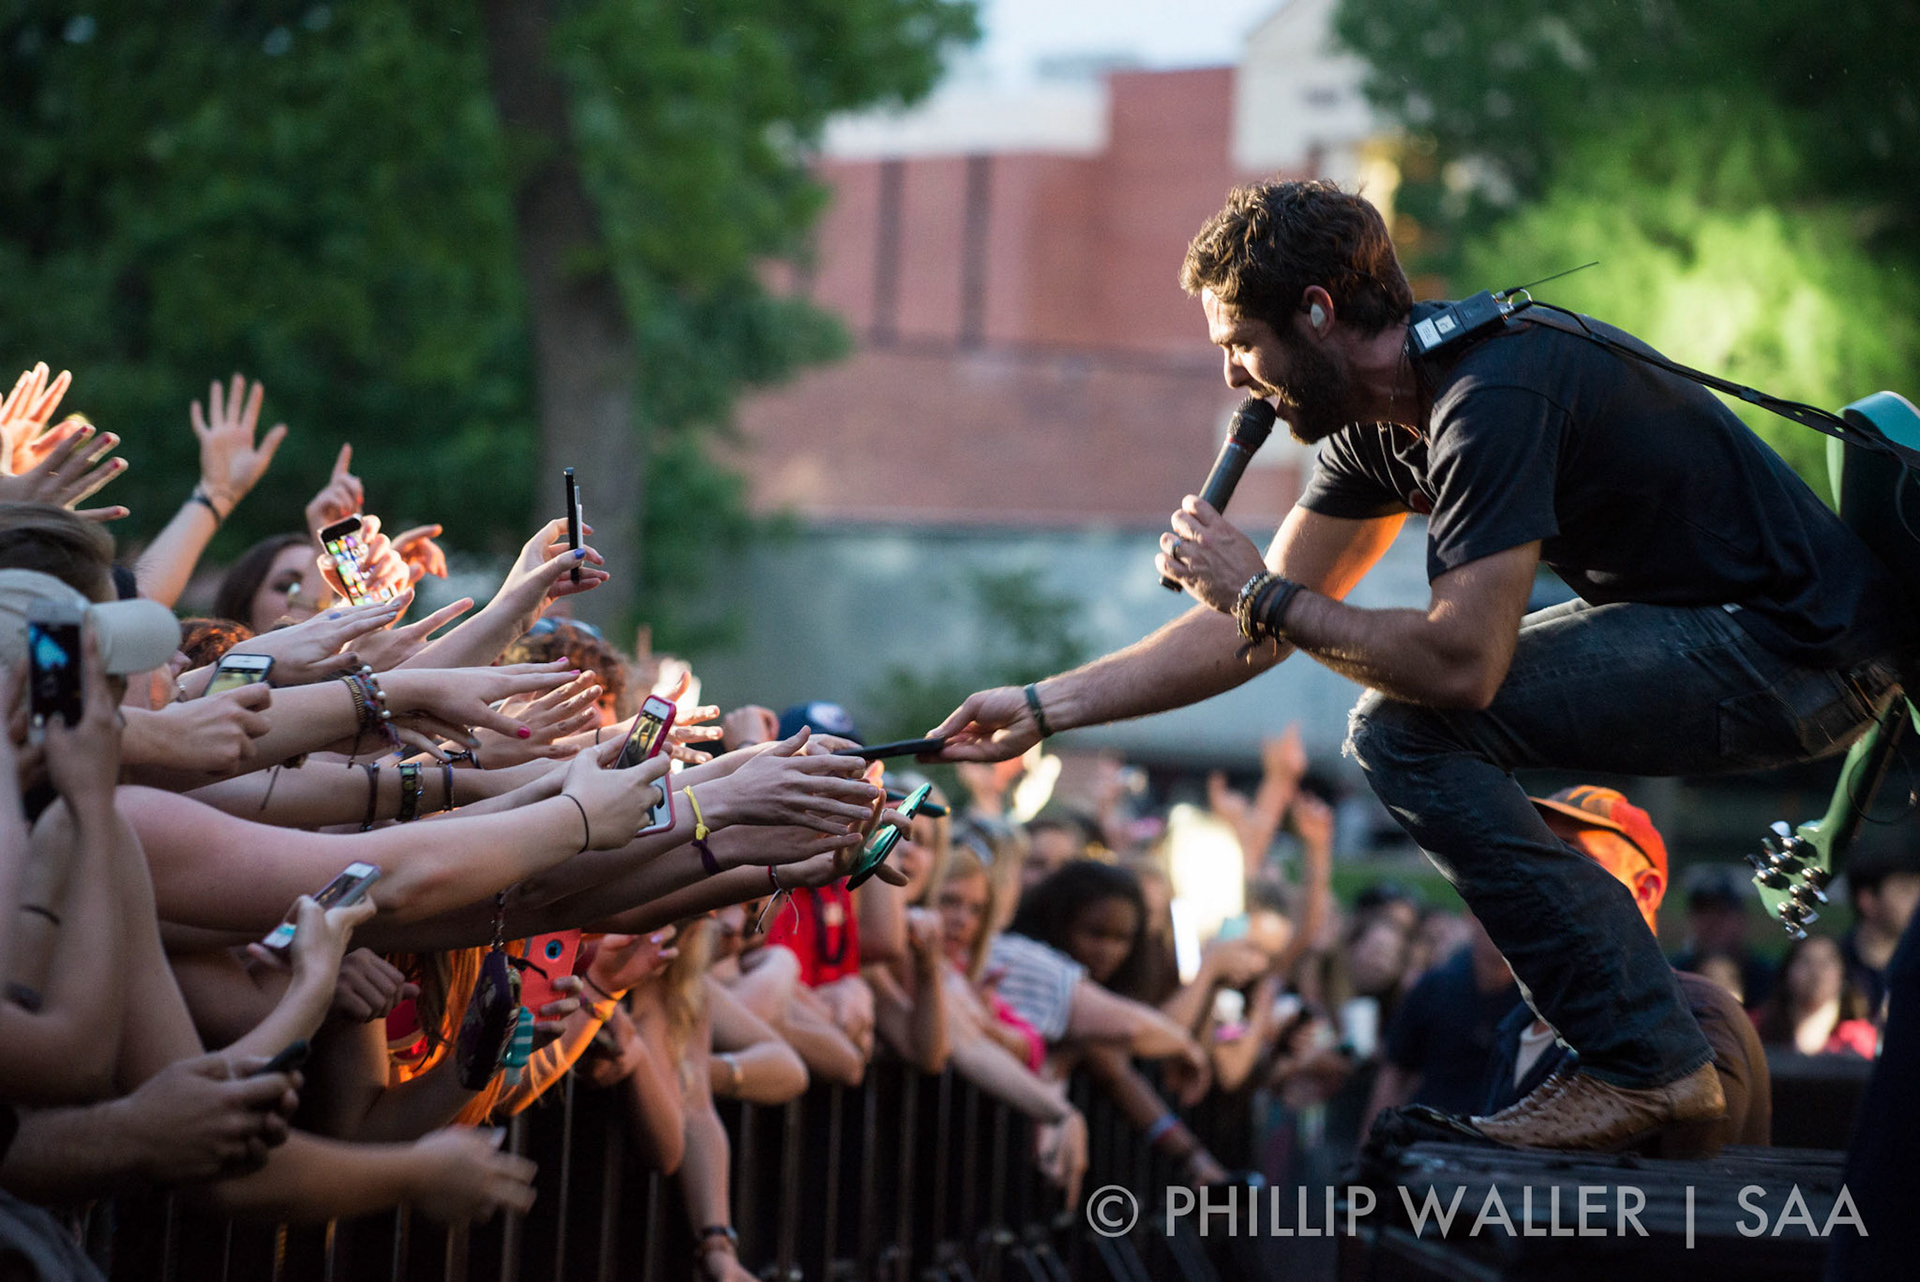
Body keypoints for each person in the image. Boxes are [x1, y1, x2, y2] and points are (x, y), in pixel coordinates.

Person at [930, 178, 1914, 1154]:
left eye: (1239, 342)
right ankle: (1633, 1023)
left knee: (1405, 728)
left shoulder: (1493, 393)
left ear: (1315, 311)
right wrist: (1041, 705)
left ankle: (1646, 1056)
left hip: (1797, 653)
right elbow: (1251, 633)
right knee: (1404, 721)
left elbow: (1459, 667)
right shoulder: (1376, 432)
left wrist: (1261, 593)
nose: (1232, 376)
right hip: (1736, 635)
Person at [1476, 786, 1772, 1149]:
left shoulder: (1693, 1014)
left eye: (1573, 857)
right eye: (1536, 857)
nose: (1543, 877)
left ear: (1645, 889)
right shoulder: (1520, 1022)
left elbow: (1692, 1182)